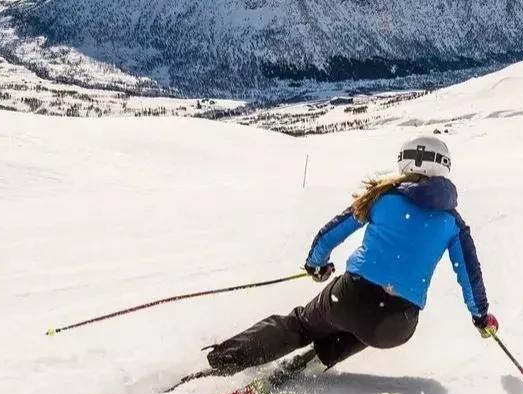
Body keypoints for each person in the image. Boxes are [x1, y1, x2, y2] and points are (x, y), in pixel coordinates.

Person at [205, 135, 497, 378]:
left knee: (303, 324)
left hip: (350, 297)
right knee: (366, 327)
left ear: (404, 162)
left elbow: (330, 234)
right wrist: (481, 318)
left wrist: (316, 265)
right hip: (398, 325)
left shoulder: (382, 198)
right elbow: (470, 278)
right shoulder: (453, 223)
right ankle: (315, 360)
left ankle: (225, 359)